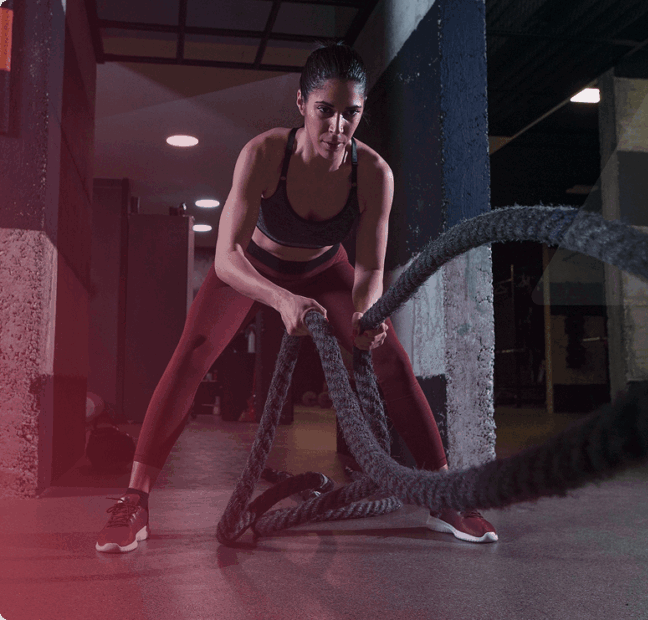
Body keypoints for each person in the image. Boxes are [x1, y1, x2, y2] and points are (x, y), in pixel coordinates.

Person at [95, 41, 498, 553]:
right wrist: (281, 300)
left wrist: (365, 310)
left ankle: (446, 498)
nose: (337, 127)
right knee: (192, 354)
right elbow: (225, 257)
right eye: (325, 111)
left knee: (391, 359)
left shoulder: (374, 173)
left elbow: (370, 265)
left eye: (351, 113)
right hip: (253, 267)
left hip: (326, 268)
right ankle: (134, 500)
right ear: (302, 104)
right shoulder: (264, 154)